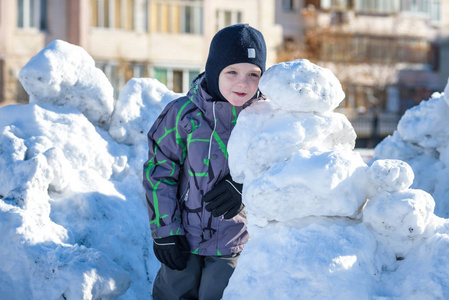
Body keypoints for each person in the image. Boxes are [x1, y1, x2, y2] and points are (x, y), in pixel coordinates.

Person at [143, 23, 267, 300]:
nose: (242, 83)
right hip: (183, 238)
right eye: (231, 72)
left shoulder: (266, 119)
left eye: (253, 74)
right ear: (214, 70)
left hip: (236, 242)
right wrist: (165, 231)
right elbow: (159, 172)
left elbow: (280, 169)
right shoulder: (182, 115)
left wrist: (242, 185)